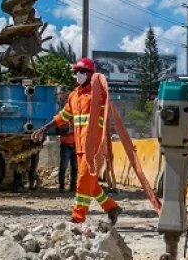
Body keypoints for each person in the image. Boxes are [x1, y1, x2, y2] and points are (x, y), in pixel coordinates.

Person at [32, 57, 123, 225]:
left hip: (93, 146)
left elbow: (106, 99)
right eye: (76, 72)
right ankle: (111, 207)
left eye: (82, 72)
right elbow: (64, 117)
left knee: (82, 180)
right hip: (79, 145)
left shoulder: (98, 93)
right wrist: (45, 127)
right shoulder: (74, 95)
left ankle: (78, 217)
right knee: (91, 184)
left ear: (91, 74)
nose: (78, 75)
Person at [57, 122, 77, 193]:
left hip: (75, 146)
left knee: (75, 167)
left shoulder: (76, 120)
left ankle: (73, 186)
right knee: (63, 167)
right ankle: (61, 186)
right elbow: (62, 131)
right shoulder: (64, 120)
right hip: (66, 146)